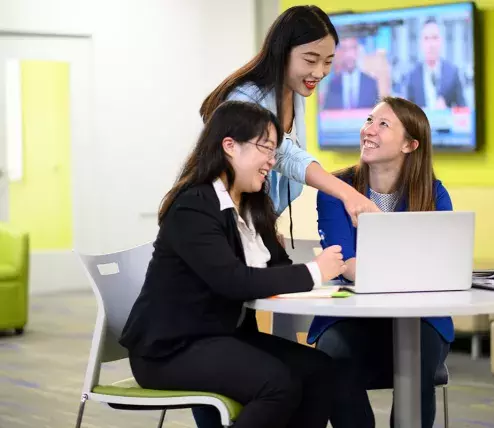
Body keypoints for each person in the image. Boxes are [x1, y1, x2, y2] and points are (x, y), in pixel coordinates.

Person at [119, 101, 348, 428]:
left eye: (274, 150)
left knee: (319, 369)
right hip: (171, 349)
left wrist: (314, 276)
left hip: (222, 337)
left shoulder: (253, 205)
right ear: (229, 146)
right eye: (265, 148)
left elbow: (275, 270)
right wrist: (315, 271)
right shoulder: (193, 206)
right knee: (276, 385)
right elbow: (233, 281)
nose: (272, 160)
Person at [308, 96, 454, 428]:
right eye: (368, 121)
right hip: (351, 318)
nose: (368, 131)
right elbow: (345, 263)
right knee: (332, 358)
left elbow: (440, 265)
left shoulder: (433, 193)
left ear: (409, 144)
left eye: (383, 124)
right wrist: (407, 271)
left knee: (414, 365)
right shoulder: (336, 189)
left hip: (421, 318)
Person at [199, 5, 380, 248]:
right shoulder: (246, 99)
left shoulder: (295, 95)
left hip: (251, 227)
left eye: (328, 62)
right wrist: (346, 193)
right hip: (220, 228)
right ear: (282, 52)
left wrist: (265, 227)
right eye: (310, 60)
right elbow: (283, 155)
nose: (320, 72)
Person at [406, 17, 466, 109]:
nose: (431, 44)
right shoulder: (412, 75)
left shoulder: (452, 72)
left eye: (435, 38)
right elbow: (406, 114)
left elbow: (463, 109)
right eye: (426, 38)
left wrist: (447, 111)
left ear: (441, 41)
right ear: (421, 43)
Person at [323, 35, 380, 110]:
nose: (348, 54)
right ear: (340, 53)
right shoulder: (333, 84)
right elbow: (328, 114)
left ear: (357, 51)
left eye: (352, 48)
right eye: (345, 49)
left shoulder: (371, 83)